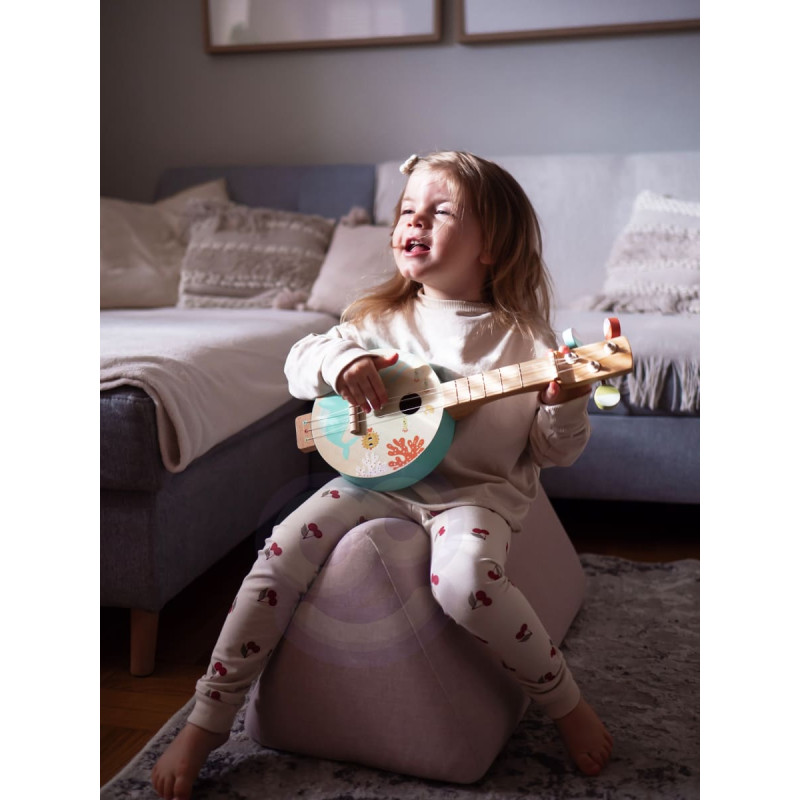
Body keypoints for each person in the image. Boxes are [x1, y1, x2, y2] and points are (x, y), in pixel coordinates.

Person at [152, 151, 613, 799]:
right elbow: (299, 363)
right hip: (372, 480)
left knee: (466, 584)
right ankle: (208, 717)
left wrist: (567, 400)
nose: (413, 221)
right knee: (280, 551)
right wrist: (340, 362)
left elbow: (553, 452)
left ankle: (564, 703)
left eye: (440, 211)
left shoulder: (527, 342)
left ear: (492, 245)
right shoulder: (375, 321)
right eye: (406, 210)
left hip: (472, 495)